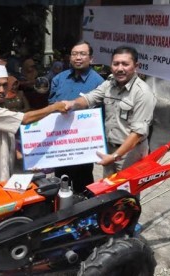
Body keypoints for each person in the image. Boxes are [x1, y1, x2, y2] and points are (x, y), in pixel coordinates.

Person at [63, 45, 157, 180]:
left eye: (125, 64)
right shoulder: (110, 84)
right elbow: (90, 98)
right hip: (109, 148)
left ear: (136, 66)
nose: (120, 68)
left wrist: (114, 157)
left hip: (131, 153)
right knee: (108, 192)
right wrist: (71, 104)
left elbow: (137, 133)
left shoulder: (143, 93)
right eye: (116, 64)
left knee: (126, 196)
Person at [0, 64, 67, 187]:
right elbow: (25, 119)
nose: (2, 90)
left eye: (4, 85)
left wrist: (26, 157)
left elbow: (7, 134)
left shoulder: (0, 105)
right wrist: (55, 107)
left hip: (2, 168)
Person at [49, 41, 105, 193]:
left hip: (83, 144)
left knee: (83, 185)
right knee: (60, 182)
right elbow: (51, 108)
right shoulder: (58, 79)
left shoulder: (99, 83)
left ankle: (85, 214)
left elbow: (103, 115)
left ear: (91, 59)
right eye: (74, 54)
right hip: (60, 142)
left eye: (82, 54)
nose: (78, 58)